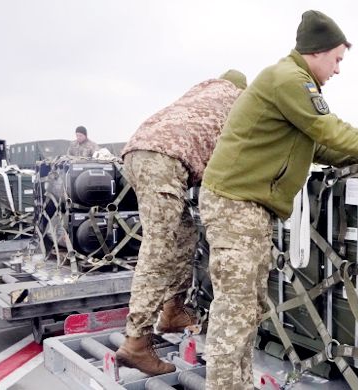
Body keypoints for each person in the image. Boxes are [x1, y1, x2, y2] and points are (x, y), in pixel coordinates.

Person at [199, 10, 358, 390]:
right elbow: (328, 128)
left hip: (246, 207)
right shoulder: (289, 79)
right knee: (235, 311)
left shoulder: (290, 82)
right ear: (319, 52)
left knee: (249, 309)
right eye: (338, 60)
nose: (339, 70)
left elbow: (317, 147)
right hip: (235, 205)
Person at [114, 70, 247, 376]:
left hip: (139, 151)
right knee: (159, 248)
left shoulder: (201, 92)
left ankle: (173, 310)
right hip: (164, 158)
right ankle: (136, 342)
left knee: (184, 234)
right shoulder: (238, 101)